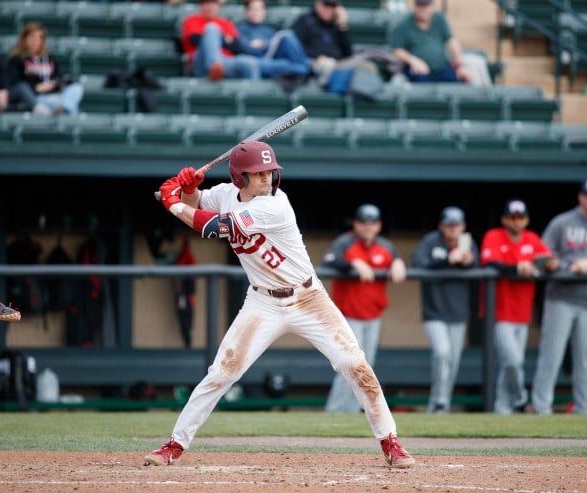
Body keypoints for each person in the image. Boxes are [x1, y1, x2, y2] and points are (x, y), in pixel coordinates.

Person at [145, 140, 415, 469]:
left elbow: (214, 226)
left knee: (355, 365)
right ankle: (174, 444)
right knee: (221, 372)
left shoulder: (276, 206)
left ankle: (391, 442)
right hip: (263, 301)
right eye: (258, 174)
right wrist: (189, 190)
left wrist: (173, 202)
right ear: (238, 177)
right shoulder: (225, 194)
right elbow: (199, 204)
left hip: (309, 299)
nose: (267, 179)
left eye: (270, 172)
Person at [530, 179, 587, 415]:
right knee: (551, 356)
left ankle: (584, 410)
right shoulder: (562, 222)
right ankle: (541, 408)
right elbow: (541, 255)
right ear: (580, 197)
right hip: (560, 297)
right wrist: (564, 265)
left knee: (585, 361)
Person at [321, 203, 407, 413]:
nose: (368, 227)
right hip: (347, 316)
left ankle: (350, 412)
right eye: (363, 223)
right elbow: (328, 261)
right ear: (356, 224)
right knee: (350, 365)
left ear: (378, 225)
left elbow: (394, 260)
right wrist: (353, 264)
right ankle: (335, 412)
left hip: (373, 316)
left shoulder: (385, 246)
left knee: (364, 368)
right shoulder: (344, 243)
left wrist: (397, 262)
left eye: (372, 223)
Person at [480, 199, 553, 414]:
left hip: (523, 313)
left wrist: (550, 263)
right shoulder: (494, 236)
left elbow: (548, 258)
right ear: (504, 219)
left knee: (510, 364)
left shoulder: (531, 238)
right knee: (513, 361)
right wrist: (516, 269)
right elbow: (490, 262)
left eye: (520, 217)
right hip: (499, 312)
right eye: (512, 217)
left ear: (527, 220)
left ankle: (503, 408)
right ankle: (520, 397)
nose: (516, 221)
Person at [411, 206, 478, 413]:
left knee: (453, 360)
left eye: (456, 225)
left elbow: (479, 266)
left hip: (458, 311)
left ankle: (442, 404)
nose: (453, 229)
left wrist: (468, 261)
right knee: (442, 353)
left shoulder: (467, 243)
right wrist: (447, 260)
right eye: (449, 225)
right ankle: (439, 401)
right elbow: (417, 262)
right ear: (442, 226)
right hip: (435, 311)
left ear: (463, 226)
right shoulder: (431, 241)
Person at [4, 22, 84, 116]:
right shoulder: (16, 59)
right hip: (36, 97)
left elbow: (58, 76)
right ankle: (65, 112)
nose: (35, 41)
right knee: (71, 108)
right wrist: (36, 87)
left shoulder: (50, 57)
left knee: (77, 88)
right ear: (24, 38)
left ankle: (64, 109)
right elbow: (15, 84)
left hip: (55, 94)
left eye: (39, 38)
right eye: (32, 37)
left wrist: (57, 84)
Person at [389, 0, 476, 84]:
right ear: (414, 6)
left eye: (426, 6)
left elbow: (451, 41)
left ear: (432, 6)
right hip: (419, 72)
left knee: (462, 82)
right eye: (420, 6)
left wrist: (460, 65)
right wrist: (413, 60)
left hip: (441, 68)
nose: (423, 10)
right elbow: (397, 50)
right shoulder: (403, 26)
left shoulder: (439, 19)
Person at [180, 0, 260, 81]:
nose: (210, 7)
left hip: (224, 62)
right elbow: (194, 39)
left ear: (218, 6)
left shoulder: (226, 23)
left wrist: (214, 39)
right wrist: (222, 38)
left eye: (214, 4)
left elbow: (237, 46)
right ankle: (214, 64)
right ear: (201, 5)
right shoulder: (191, 20)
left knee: (250, 63)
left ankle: (255, 93)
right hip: (200, 60)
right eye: (207, 4)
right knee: (212, 28)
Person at [236, 0, 311, 79]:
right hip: (256, 63)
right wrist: (266, 45)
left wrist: (262, 45)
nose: (256, 13)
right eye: (254, 9)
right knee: (286, 64)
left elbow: (275, 47)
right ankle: (305, 69)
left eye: (260, 9)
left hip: (274, 61)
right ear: (246, 11)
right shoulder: (240, 29)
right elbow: (246, 49)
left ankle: (302, 67)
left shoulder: (269, 31)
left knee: (288, 36)